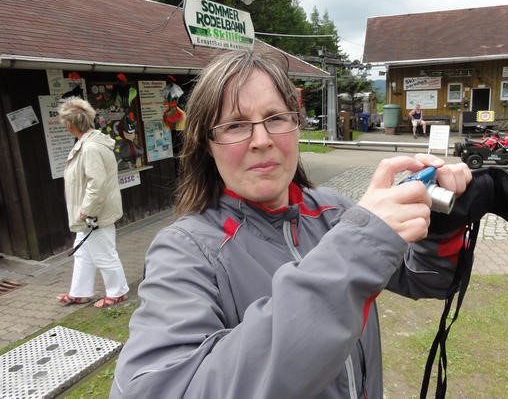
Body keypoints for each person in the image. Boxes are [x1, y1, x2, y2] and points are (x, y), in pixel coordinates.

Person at [111, 49, 473, 398]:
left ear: (296, 125)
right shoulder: (185, 251)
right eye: (235, 125)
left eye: (275, 118)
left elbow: (428, 280)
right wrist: (355, 249)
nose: (262, 140)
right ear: (207, 144)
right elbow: (160, 389)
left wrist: (443, 220)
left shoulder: (334, 212)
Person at [56, 97, 129, 308]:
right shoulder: (90, 143)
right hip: (90, 213)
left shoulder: (90, 148)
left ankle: (118, 292)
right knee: (82, 253)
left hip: (94, 214)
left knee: (104, 253)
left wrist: (87, 210)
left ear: (70, 125)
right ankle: (79, 293)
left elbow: (96, 184)